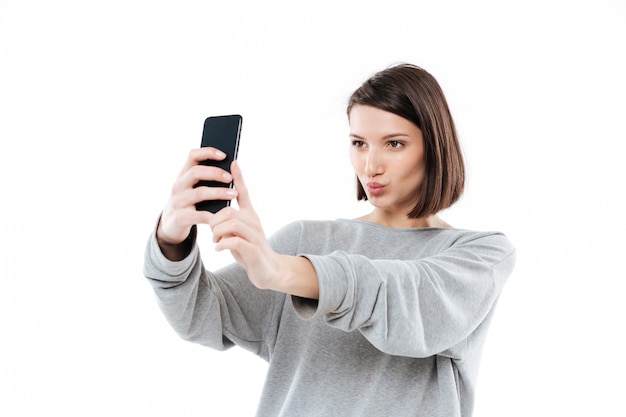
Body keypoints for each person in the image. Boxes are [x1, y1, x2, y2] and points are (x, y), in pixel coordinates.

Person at [143, 63, 516, 417]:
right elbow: (201, 316)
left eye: (394, 144)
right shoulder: (306, 239)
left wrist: (279, 270)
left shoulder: (480, 256)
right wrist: (172, 238)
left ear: (434, 146)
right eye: (359, 143)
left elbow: (402, 297)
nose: (371, 165)